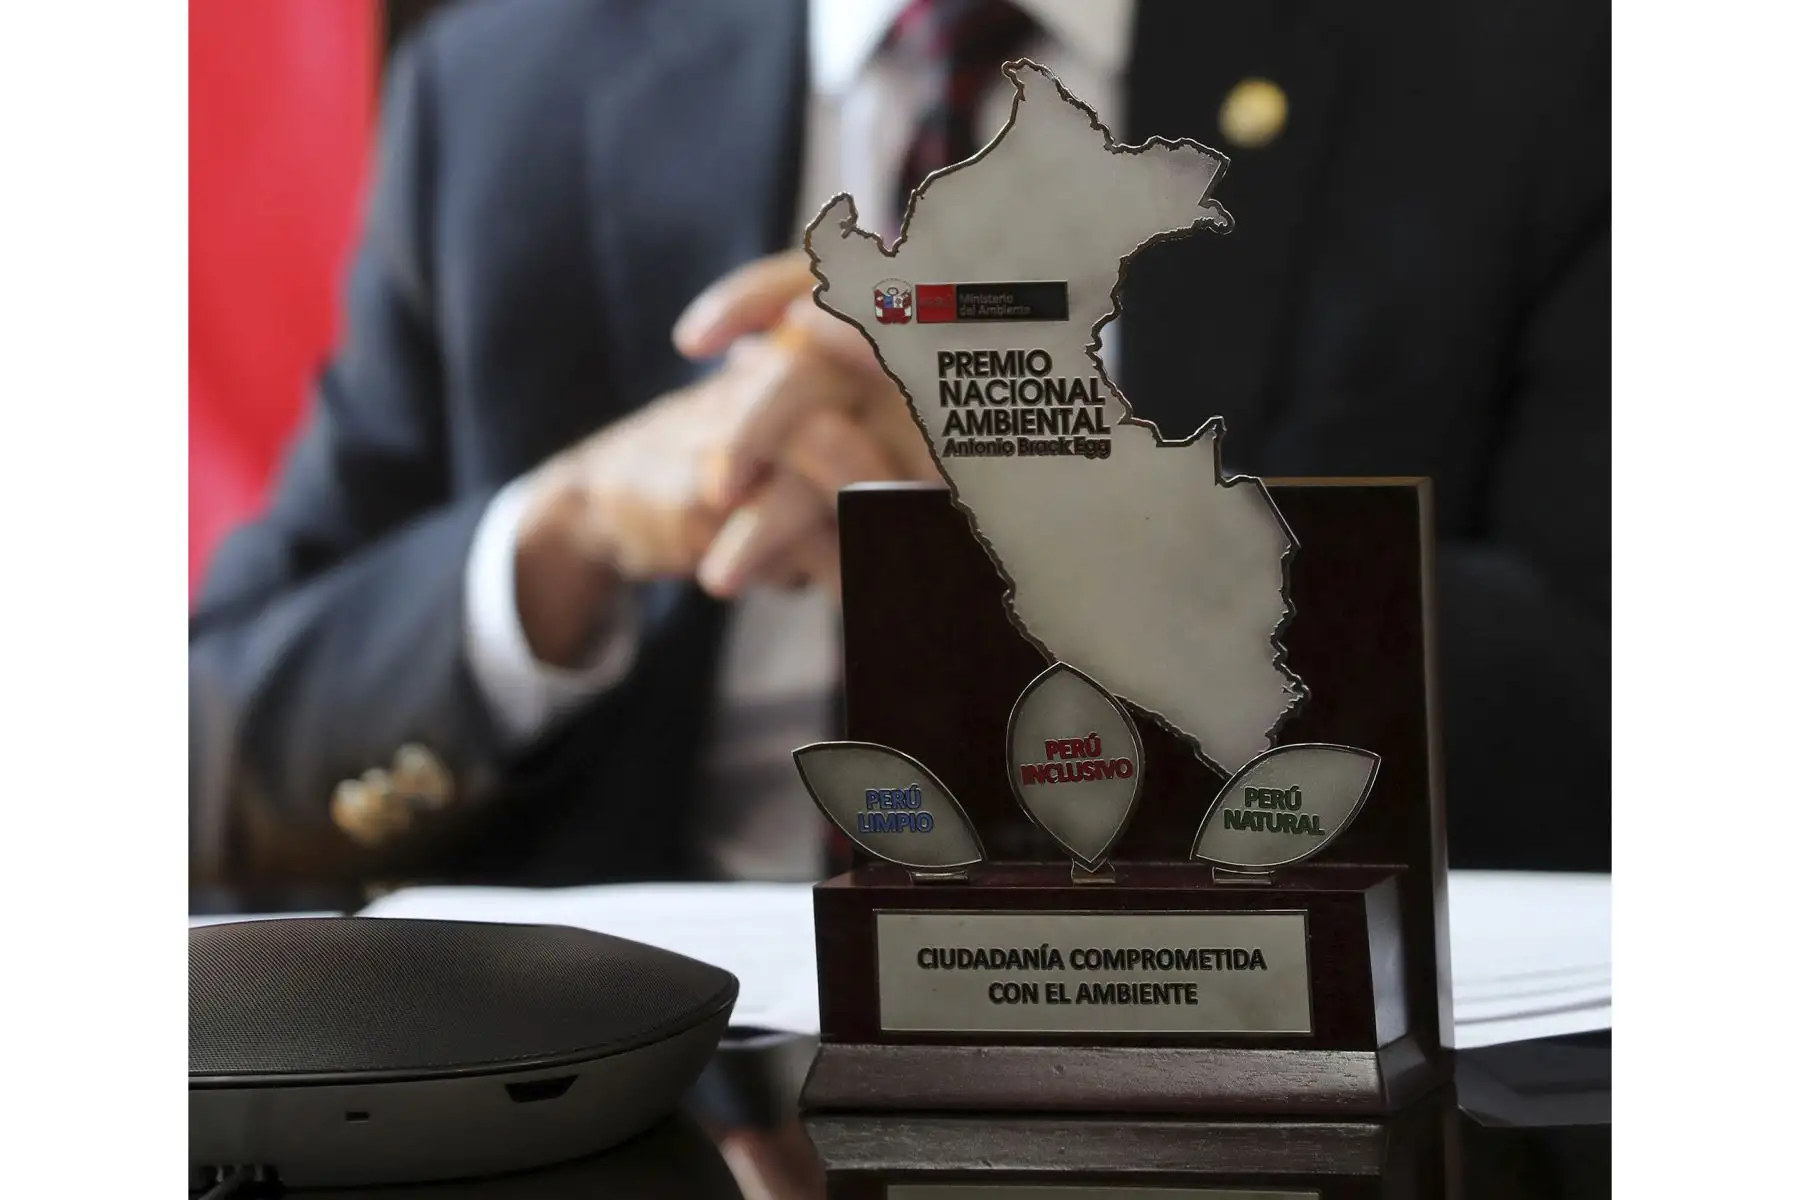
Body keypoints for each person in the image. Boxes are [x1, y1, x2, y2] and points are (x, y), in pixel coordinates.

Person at [189, 0, 1610, 889]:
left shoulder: (1520, 64)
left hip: (1239, 1037)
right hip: (658, 1078)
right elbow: (201, 761)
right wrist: (556, 543)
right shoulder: (504, 87)